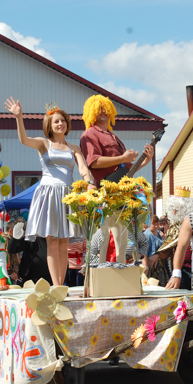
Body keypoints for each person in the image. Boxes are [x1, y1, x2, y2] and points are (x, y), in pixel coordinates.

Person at [6, 97, 94, 286]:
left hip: (67, 196)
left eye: (62, 120)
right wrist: (19, 117)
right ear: (49, 125)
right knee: (52, 241)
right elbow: (23, 140)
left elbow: (83, 169)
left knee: (64, 243)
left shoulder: (74, 148)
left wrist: (89, 183)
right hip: (48, 194)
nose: (60, 123)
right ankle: (56, 285)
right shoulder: (43, 144)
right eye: (56, 121)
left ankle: (61, 284)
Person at [80, 95, 154, 263]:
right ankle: (103, 269)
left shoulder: (114, 137)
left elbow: (126, 172)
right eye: (99, 108)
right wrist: (122, 158)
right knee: (107, 235)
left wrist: (145, 161)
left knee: (122, 236)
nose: (104, 111)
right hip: (106, 193)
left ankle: (120, 268)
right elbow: (93, 162)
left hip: (121, 192)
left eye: (106, 107)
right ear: (92, 112)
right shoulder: (89, 134)